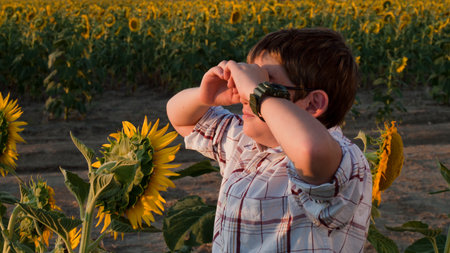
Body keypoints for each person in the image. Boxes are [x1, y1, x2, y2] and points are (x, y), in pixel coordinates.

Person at [166, 28, 372, 252]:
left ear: (312, 104)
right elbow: (182, 119)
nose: (247, 94)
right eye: (251, 79)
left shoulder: (341, 156)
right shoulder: (243, 142)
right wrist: (205, 97)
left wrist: (256, 90)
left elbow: (309, 150)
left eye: (266, 82)